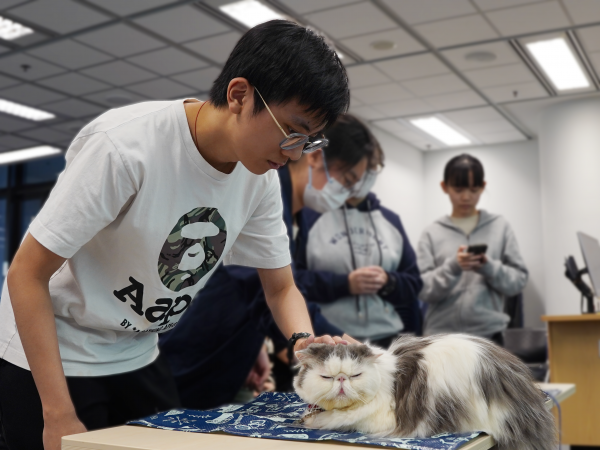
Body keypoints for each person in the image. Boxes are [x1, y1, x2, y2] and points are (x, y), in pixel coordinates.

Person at [0, 20, 351, 450]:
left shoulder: (259, 176)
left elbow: (280, 289)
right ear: (239, 95)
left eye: (309, 142)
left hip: (138, 349)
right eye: (292, 132)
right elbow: (26, 275)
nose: (295, 153)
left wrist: (303, 343)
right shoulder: (126, 147)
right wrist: (57, 413)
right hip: (56, 352)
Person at [294, 115, 423, 347]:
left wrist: (388, 281)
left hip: (387, 336)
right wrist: (344, 284)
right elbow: (291, 280)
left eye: (373, 168)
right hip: (329, 336)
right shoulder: (311, 212)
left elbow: (414, 282)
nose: (365, 175)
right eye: (356, 172)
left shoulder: (390, 221)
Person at [417, 154, 528, 345]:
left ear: (483, 186)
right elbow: (421, 289)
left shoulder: (500, 227)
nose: (466, 197)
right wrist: (452, 267)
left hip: (490, 336)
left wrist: (489, 267)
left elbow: (518, 281)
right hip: (440, 339)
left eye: (474, 189)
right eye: (458, 189)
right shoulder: (431, 233)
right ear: (444, 187)